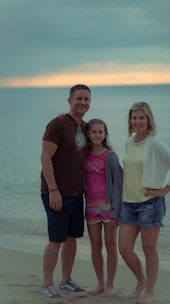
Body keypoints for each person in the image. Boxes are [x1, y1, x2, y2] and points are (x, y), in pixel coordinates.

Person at [118, 102, 170, 303]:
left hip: (149, 204)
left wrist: (164, 190)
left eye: (141, 118)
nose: (137, 121)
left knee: (149, 249)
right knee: (124, 248)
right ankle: (141, 281)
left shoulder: (154, 143)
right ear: (130, 121)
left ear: (149, 120)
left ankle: (150, 292)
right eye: (134, 118)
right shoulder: (128, 143)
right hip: (128, 204)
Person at [40, 84, 91, 303]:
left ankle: (66, 280)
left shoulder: (86, 127)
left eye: (87, 99)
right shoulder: (58, 124)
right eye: (79, 98)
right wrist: (53, 190)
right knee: (56, 239)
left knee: (72, 239)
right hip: (56, 193)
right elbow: (45, 157)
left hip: (76, 193)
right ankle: (47, 284)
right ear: (69, 101)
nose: (83, 102)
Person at [84, 119, 123, 297]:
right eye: (94, 132)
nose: (98, 135)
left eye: (101, 132)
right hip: (90, 207)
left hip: (108, 208)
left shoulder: (111, 157)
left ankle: (110, 284)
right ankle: (99, 283)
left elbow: (119, 185)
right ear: (88, 135)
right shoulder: (83, 155)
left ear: (105, 134)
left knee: (111, 245)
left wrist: (116, 211)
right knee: (95, 245)